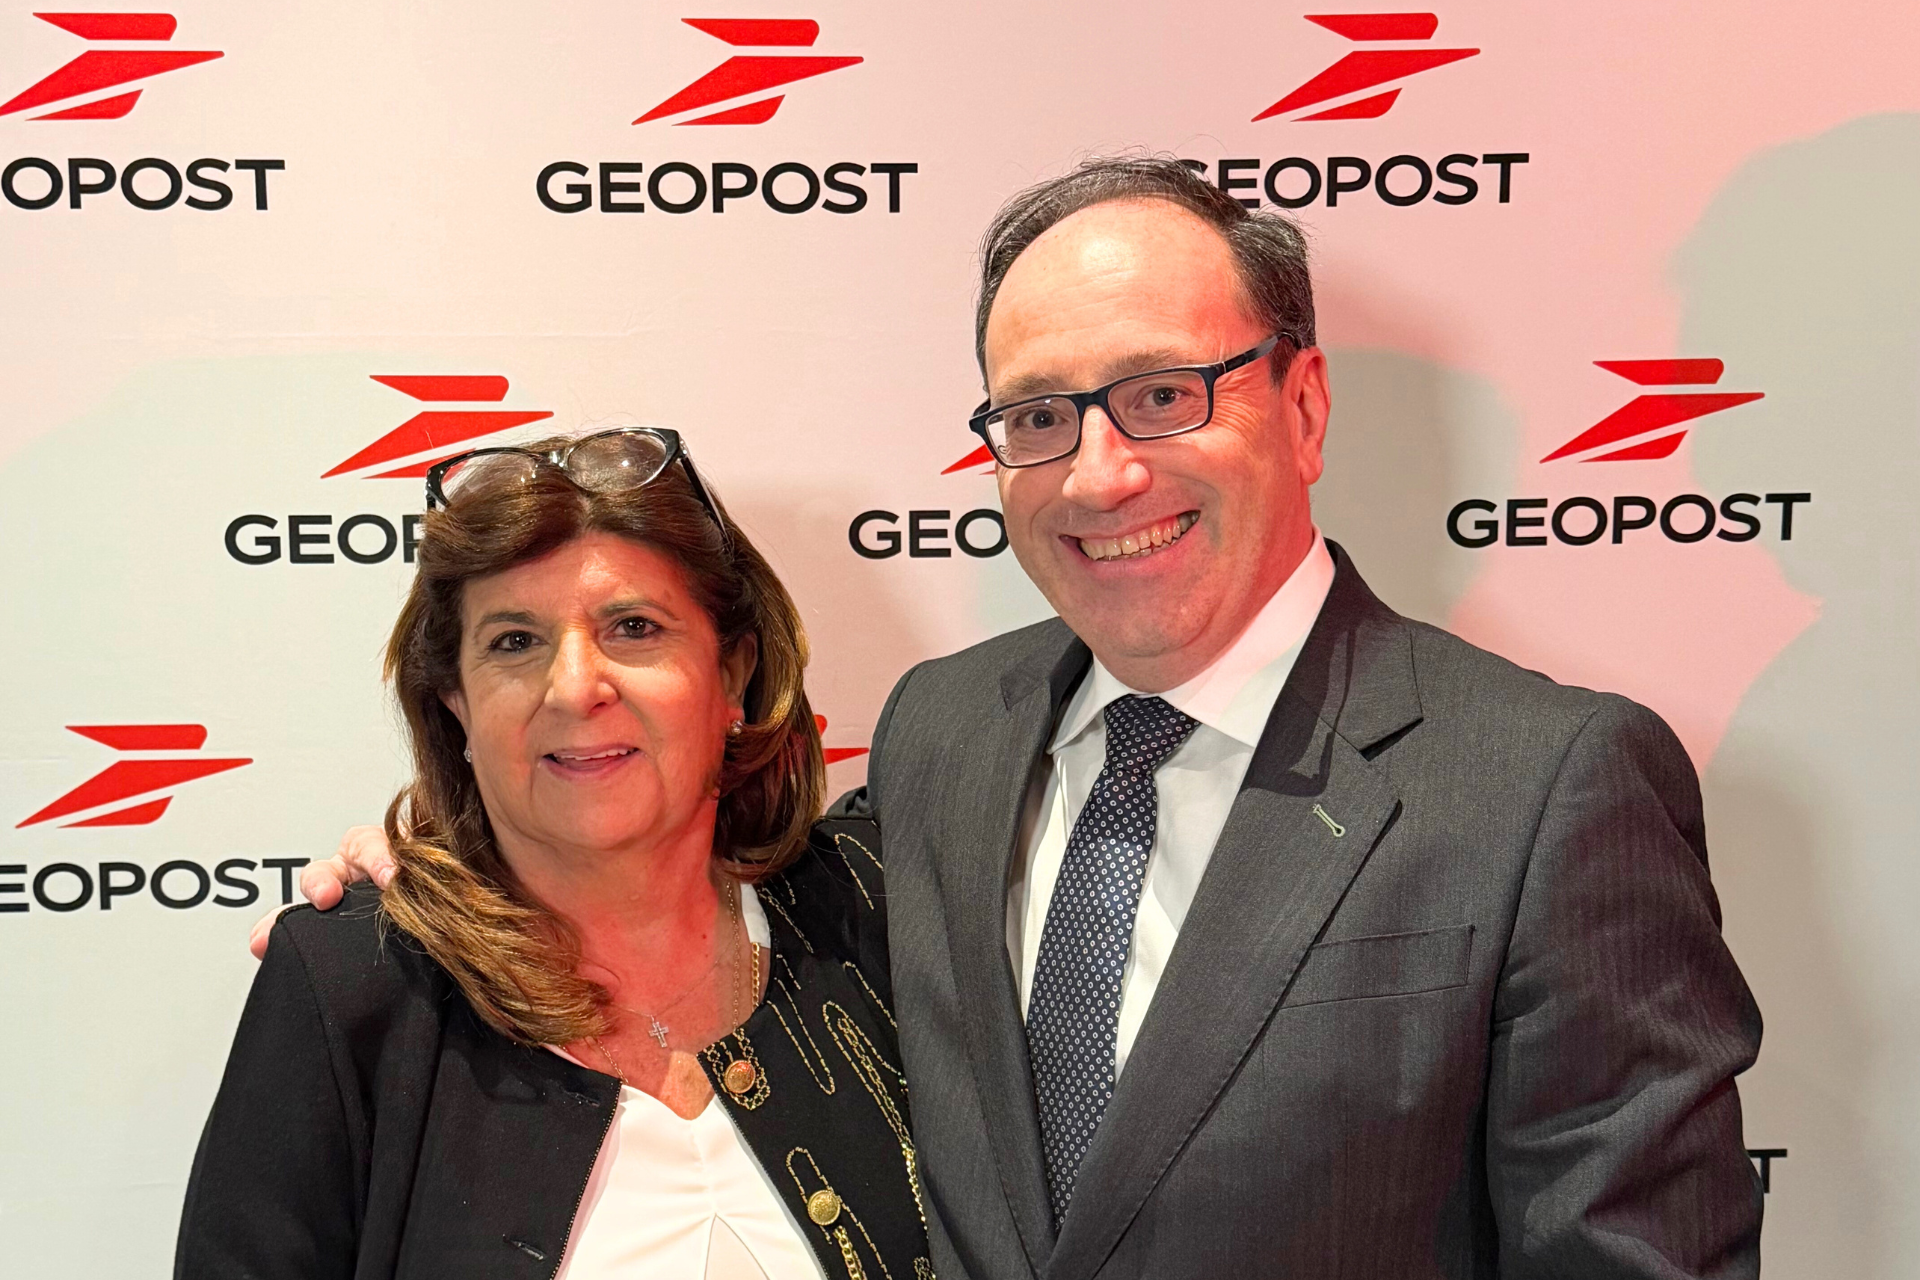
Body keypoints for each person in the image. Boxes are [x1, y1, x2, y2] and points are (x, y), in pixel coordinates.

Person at [280, 157, 1765, 1279]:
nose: (1101, 474)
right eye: (1040, 416)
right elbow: (685, 879)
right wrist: (448, 866)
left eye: (1164, 394)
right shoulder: (948, 734)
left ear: (1304, 405)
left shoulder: (1545, 785)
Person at [185, 428, 929, 1280]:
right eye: (514, 641)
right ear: (455, 701)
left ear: (732, 673)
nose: (575, 688)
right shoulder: (356, 984)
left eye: (634, 628)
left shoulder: (878, 909)